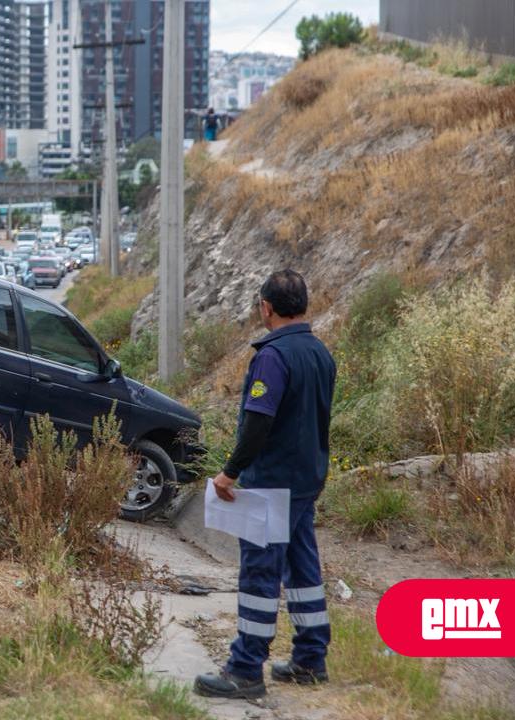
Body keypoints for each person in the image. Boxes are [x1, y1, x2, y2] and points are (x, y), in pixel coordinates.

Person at [194, 269, 337, 700]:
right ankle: (310, 659)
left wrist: (229, 472)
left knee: (259, 574)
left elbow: (258, 424)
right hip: (305, 480)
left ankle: (244, 669)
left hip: (271, 483)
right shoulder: (320, 353)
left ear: (266, 307)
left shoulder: (272, 357)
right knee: (303, 569)